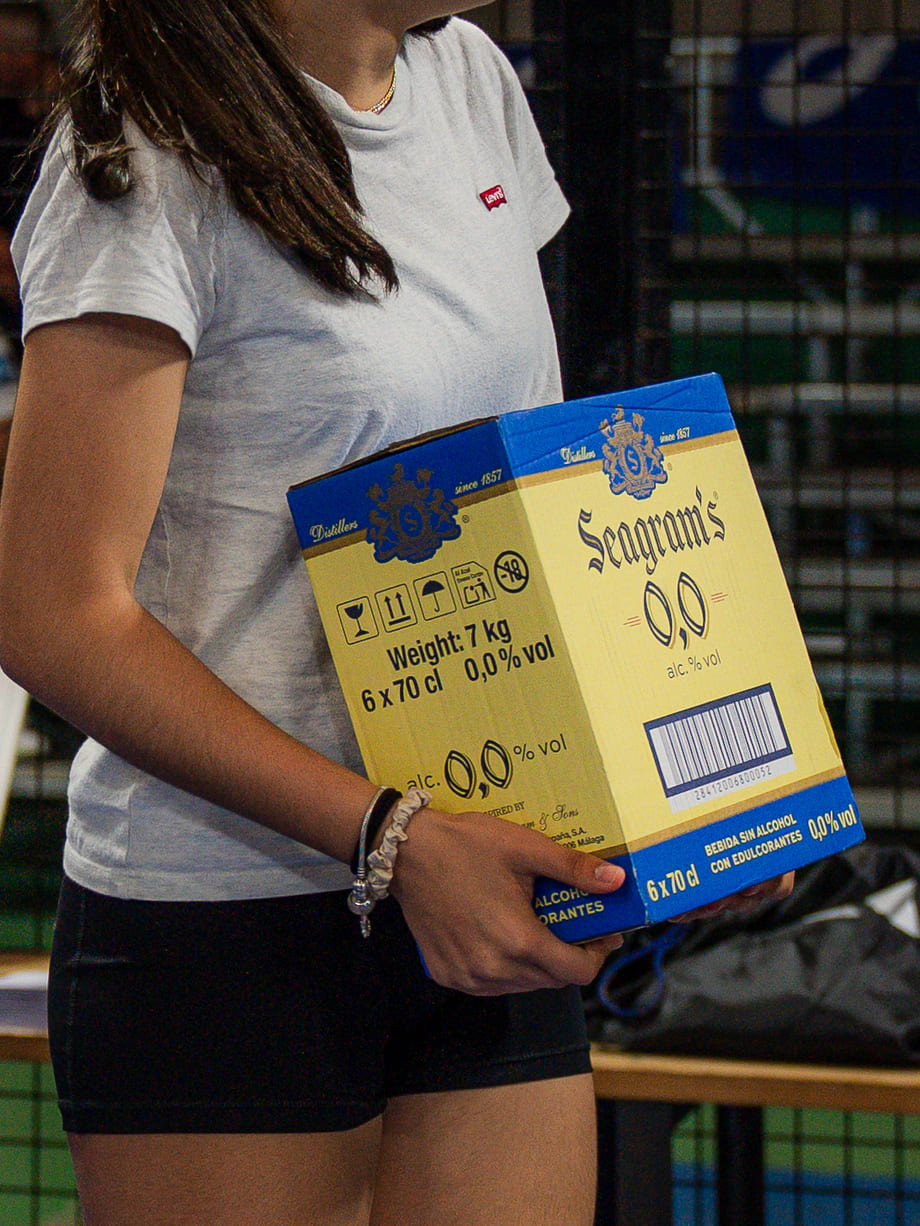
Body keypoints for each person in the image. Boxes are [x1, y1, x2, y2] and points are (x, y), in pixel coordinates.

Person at [0, 1, 793, 1223]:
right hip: (228, 919)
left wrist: (675, 806)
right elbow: (52, 613)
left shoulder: (471, 80)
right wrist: (390, 835)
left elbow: (520, 494)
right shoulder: (142, 149)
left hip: (491, 877)